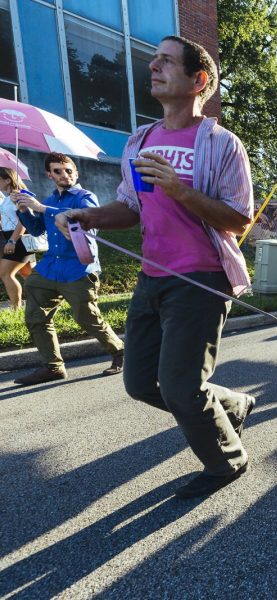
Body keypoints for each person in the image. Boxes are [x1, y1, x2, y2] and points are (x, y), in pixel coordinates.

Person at [57, 36, 255, 499]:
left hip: (201, 278)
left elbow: (240, 217)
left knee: (184, 387)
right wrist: (90, 216)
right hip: (153, 277)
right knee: (141, 382)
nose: (153, 66)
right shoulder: (140, 141)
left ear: (198, 80)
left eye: (166, 61)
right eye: (155, 60)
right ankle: (236, 404)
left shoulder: (221, 143)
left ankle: (228, 462)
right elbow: (130, 206)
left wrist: (182, 191)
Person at [12, 153, 124, 385]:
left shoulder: (85, 197)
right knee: (35, 317)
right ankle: (53, 367)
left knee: (87, 318)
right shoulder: (51, 198)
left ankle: (120, 353)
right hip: (50, 268)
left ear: (76, 173)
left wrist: (42, 208)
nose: (65, 175)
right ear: (49, 174)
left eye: (68, 171)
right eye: (58, 171)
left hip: (78, 268)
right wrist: (23, 208)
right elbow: (36, 230)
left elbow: (86, 225)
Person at [0, 167, 36, 309]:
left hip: (18, 239)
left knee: (5, 274)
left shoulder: (19, 196)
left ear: (8, 180)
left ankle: (15, 308)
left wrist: (12, 241)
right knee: (30, 276)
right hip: (11, 237)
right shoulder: (7, 198)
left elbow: (24, 221)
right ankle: (43, 302)